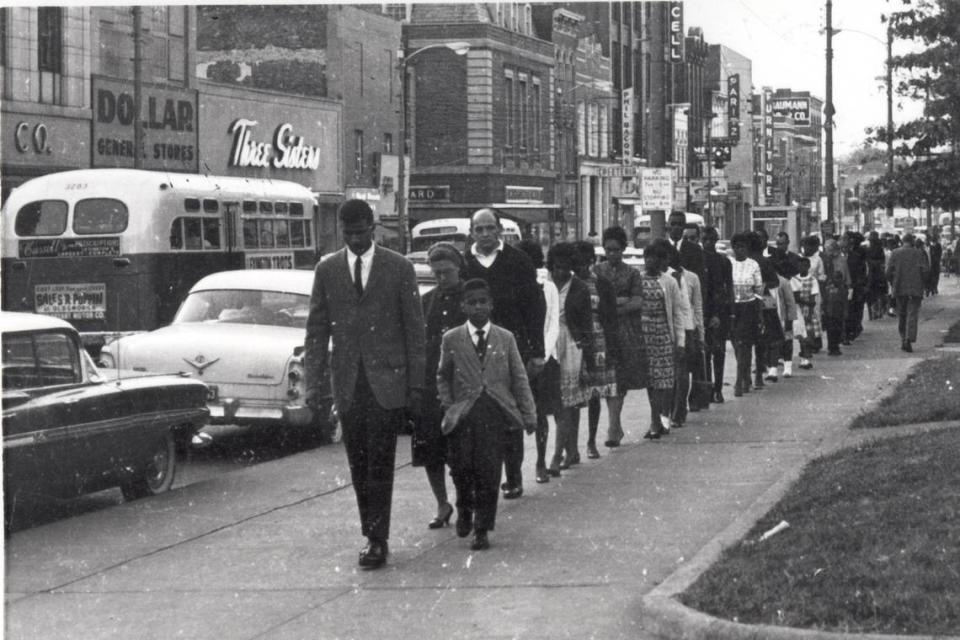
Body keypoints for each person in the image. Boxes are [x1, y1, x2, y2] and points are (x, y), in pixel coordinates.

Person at [304, 199, 426, 570]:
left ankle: (378, 538)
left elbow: (415, 331)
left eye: (361, 232)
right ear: (341, 231)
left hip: (388, 384)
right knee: (358, 464)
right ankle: (370, 531)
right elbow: (316, 332)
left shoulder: (399, 268)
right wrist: (314, 386)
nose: (356, 239)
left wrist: (416, 387)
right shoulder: (327, 270)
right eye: (349, 233)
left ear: (373, 228)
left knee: (380, 463)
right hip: (348, 384)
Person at [437, 278, 537, 552]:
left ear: (491, 305)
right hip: (463, 415)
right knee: (461, 468)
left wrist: (529, 415)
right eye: (472, 302)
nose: (478, 307)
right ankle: (464, 508)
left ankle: (482, 527)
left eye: (483, 302)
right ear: (463, 306)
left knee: (489, 470)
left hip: (495, 413)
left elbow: (519, 378)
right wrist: (449, 404)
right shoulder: (452, 339)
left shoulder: (505, 338)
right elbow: (443, 376)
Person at [461, 208, 545, 501]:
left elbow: (535, 307)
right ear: (471, 232)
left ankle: (514, 475)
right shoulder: (464, 263)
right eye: (479, 229)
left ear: (499, 230)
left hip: (512, 348)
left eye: (489, 228)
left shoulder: (518, 261)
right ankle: (484, 476)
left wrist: (537, 350)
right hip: (472, 350)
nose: (485, 234)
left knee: (510, 412)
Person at [415, 243, 466, 530]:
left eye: (447, 272)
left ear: (458, 268)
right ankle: (441, 502)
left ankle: (463, 502)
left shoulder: (470, 298)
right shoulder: (427, 302)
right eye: (436, 273)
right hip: (431, 383)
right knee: (431, 448)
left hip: (462, 384)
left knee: (461, 449)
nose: (442, 278)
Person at [593, 226, 645, 446]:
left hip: (624, 332)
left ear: (623, 248)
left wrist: (613, 306)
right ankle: (614, 426)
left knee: (620, 379)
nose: (612, 254)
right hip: (601, 330)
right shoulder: (596, 270)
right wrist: (620, 302)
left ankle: (614, 426)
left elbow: (637, 301)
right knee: (605, 378)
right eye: (608, 250)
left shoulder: (632, 273)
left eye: (616, 249)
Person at [545, 243, 592, 476]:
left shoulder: (580, 288)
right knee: (560, 403)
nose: (560, 272)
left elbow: (586, 325)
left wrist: (587, 358)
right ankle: (571, 450)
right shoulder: (544, 285)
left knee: (567, 402)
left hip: (572, 345)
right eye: (556, 267)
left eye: (565, 268)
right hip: (549, 345)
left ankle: (557, 457)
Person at [516, 240, 560, 485]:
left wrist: (541, 356)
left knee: (540, 413)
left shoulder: (548, 287)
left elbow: (552, 325)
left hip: (542, 359)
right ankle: (514, 472)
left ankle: (541, 462)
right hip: (517, 357)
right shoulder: (512, 286)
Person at [573, 240, 619, 462]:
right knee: (571, 395)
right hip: (573, 340)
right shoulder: (567, 283)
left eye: (584, 263)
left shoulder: (602, 284)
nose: (580, 268)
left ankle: (591, 441)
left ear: (591, 261)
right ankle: (570, 447)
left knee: (594, 395)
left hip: (598, 340)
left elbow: (610, 318)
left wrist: (611, 348)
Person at [640, 239, 685, 439]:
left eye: (654, 258)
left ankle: (662, 418)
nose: (650, 261)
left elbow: (677, 313)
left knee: (664, 382)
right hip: (645, 337)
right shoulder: (638, 279)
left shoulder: (670, 282)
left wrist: (680, 341)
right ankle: (655, 420)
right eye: (647, 257)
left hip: (663, 335)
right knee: (650, 381)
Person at [666, 244, 703, 429]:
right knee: (669, 375)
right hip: (668, 329)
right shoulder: (665, 278)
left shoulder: (692, 278)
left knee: (682, 373)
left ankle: (679, 412)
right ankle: (668, 411)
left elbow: (697, 307)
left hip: (688, 329)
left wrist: (700, 334)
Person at [701, 226, 733, 403]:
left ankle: (718, 389)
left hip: (719, 312)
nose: (708, 243)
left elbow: (728, 288)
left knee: (718, 352)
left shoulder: (723, 262)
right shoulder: (697, 260)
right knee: (704, 353)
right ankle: (706, 389)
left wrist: (727, 313)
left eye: (711, 239)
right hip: (702, 311)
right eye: (704, 239)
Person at [729, 232, 763, 397]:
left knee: (745, 344)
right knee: (736, 344)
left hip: (749, 307)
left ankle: (739, 380)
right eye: (736, 247)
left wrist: (758, 311)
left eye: (742, 247)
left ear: (747, 249)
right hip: (732, 308)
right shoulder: (729, 263)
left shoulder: (753, 265)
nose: (739, 250)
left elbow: (758, 290)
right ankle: (745, 374)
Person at [886, 232, 928, 352]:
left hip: (900, 288)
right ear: (912, 241)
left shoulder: (895, 253)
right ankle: (909, 339)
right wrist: (924, 284)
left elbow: (888, 272)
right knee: (912, 314)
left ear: (902, 241)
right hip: (915, 288)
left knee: (902, 314)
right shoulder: (919, 253)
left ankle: (903, 337)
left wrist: (892, 282)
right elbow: (925, 271)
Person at [791, 257, 821, 370]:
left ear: (808, 267)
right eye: (800, 265)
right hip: (797, 311)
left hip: (807, 311)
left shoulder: (812, 280)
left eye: (805, 266)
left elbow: (812, 300)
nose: (802, 268)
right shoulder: (794, 279)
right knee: (799, 335)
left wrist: (800, 300)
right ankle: (803, 358)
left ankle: (805, 359)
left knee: (807, 335)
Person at [822, 269, 848, 356]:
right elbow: (825, 301)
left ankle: (836, 347)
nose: (837, 280)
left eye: (838, 278)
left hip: (839, 314)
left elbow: (845, 302)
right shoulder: (828, 289)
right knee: (830, 331)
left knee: (838, 331)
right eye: (835, 278)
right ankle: (831, 347)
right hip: (830, 314)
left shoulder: (843, 289)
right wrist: (824, 312)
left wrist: (845, 312)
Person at [864, 231, 888, 321]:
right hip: (876, 274)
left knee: (873, 293)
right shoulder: (875, 249)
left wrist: (871, 263)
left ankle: (874, 312)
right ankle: (876, 312)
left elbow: (881, 262)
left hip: (874, 274)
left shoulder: (873, 249)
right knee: (877, 293)